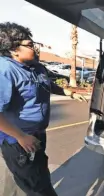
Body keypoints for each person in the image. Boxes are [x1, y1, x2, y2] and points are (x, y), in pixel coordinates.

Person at [0, 22, 87, 196]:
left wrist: (69, 93)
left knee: (39, 173)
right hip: (19, 141)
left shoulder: (36, 67)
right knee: (37, 187)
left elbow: (47, 84)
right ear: (14, 50)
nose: (36, 49)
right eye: (30, 45)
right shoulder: (6, 71)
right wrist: (21, 137)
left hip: (37, 135)